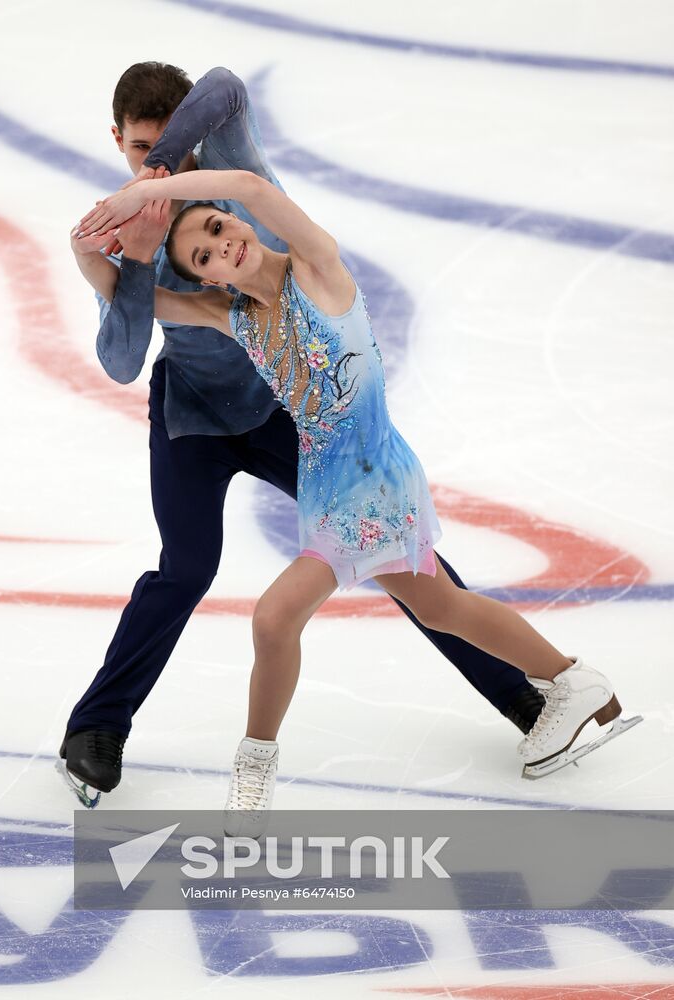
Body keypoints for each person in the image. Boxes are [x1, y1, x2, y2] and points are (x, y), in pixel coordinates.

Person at [79, 166, 631, 831]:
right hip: (333, 486)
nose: (222, 246)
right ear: (209, 280)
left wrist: (145, 195)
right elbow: (129, 299)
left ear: (237, 221)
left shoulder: (314, 267)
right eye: (203, 255)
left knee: (276, 619)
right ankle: (572, 679)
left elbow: (256, 190)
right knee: (444, 608)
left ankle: (254, 770)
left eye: (219, 227)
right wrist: (88, 250)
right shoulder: (234, 316)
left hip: (371, 482)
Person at [61, 62, 546, 808]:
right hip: (192, 419)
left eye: (172, 147)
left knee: (394, 545)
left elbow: (223, 86)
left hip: (286, 409)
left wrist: (158, 174)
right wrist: (119, 256)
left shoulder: (224, 179)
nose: (161, 161)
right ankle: (95, 729)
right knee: (186, 568)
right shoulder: (130, 227)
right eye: (141, 149)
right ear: (115, 140)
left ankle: (522, 696)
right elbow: (122, 360)